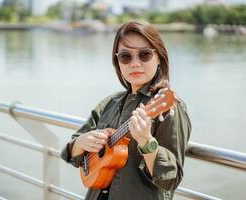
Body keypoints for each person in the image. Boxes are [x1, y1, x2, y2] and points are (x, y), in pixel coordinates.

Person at [61, 21, 191, 200]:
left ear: (159, 57)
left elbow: (171, 179)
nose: (134, 63)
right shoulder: (109, 103)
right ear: (118, 62)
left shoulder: (168, 107)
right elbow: (71, 155)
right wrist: (81, 143)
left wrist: (147, 142)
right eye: (125, 56)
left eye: (144, 55)